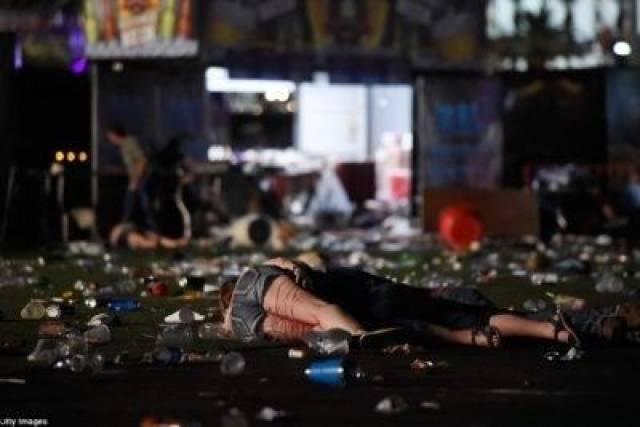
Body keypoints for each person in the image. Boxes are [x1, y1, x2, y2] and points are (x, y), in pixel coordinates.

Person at [217, 257, 629, 347]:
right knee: (467, 307)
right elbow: (300, 267)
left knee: (454, 324)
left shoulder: (249, 316)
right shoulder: (264, 276)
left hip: (381, 317)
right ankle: (570, 327)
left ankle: (567, 329)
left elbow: (315, 323)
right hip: (380, 299)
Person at [106, 123, 156, 231]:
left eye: (110, 136)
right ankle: (129, 226)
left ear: (115, 134)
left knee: (144, 205)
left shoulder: (129, 142)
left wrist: (135, 179)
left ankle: (153, 229)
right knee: (134, 204)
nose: (109, 139)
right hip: (136, 179)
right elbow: (132, 163)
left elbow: (142, 161)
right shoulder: (123, 146)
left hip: (141, 179)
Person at [109, 222, 188, 250]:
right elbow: (152, 245)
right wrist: (156, 238)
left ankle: (179, 243)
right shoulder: (134, 237)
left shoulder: (134, 235)